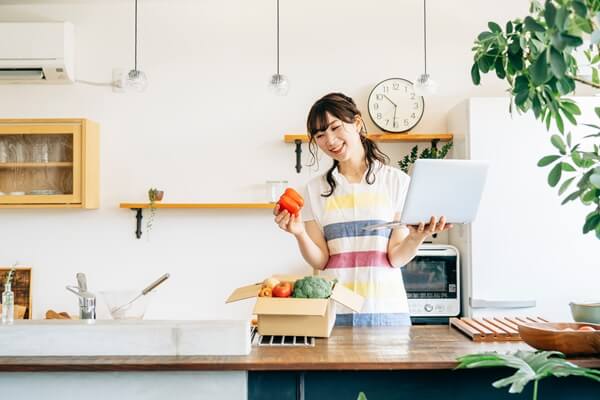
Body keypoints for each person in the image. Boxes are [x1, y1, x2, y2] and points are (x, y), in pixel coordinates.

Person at [273, 92, 452, 326]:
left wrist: (417, 238)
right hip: (335, 315)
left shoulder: (396, 182)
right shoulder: (314, 190)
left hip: (386, 311)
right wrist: (299, 234)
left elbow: (395, 257)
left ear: (356, 123)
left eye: (335, 128)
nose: (330, 140)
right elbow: (321, 261)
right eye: (320, 135)